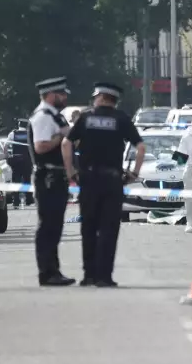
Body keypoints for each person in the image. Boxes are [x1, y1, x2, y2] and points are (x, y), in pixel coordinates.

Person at [62, 82, 145, 287]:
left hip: (88, 180)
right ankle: (104, 277)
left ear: (100, 97)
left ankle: (89, 275)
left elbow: (66, 144)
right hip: (112, 181)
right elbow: (140, 147)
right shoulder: (122, 119)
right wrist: (134, 173)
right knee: (109, 229)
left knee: (88, 227)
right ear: (114, 100)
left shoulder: (86, 117)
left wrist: (71, 172)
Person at [28, 76, 76, 287]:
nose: (64, 97)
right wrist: (62, 136)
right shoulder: (43, 117)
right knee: (48, 225)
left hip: (56, 176)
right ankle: (47, 273)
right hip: (47, 177)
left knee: (55, 225)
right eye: (61, 94)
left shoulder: (55, 116)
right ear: (50, 95)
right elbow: (40, 147)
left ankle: (53, 270)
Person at [6, 119, 34, 208]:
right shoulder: (30, 134)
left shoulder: (12, 134)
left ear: (19, 124)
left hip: (16, 161)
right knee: (27, 180)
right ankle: (29, 200)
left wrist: (8, 158)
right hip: (27, 161)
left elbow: (7, 146)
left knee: (16, 181)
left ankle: (16, 201)